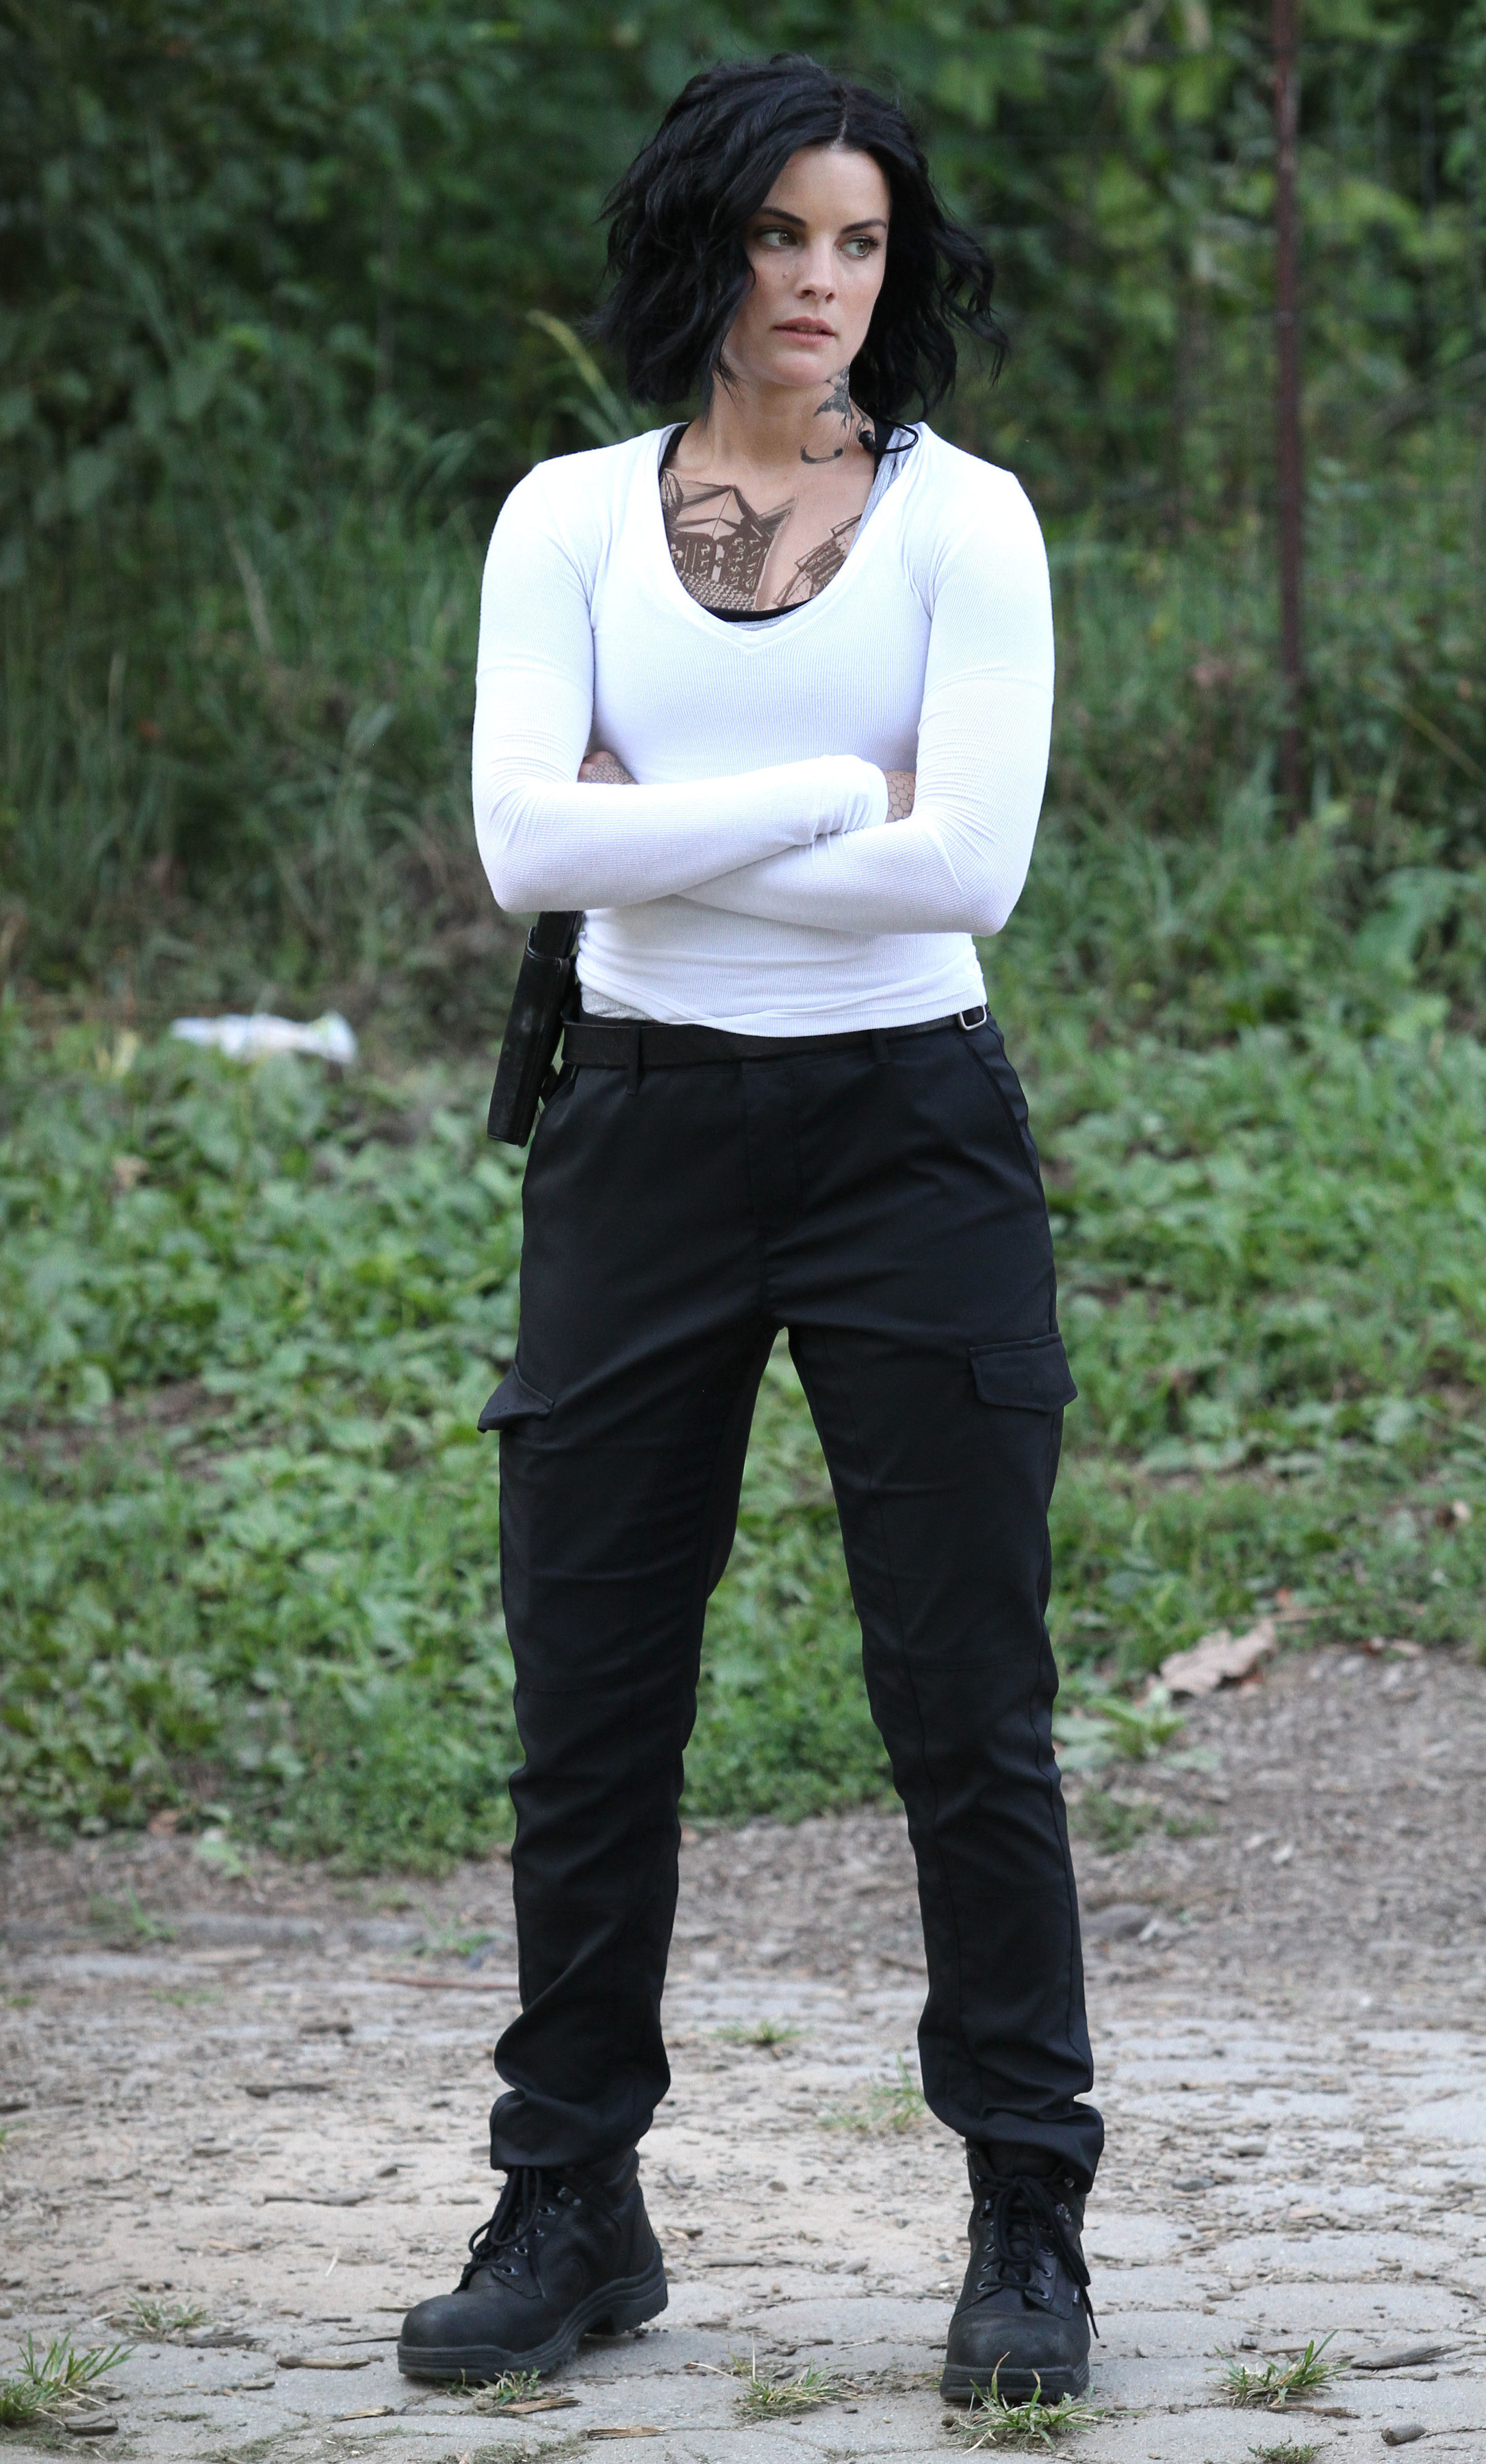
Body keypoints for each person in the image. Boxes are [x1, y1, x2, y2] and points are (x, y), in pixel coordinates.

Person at [397, 50, 1101, 2409]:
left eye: (859, 242)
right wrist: (823, 789)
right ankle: (569, 2202)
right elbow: (523, 848)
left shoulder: (966, 524)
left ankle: (1026, 2218)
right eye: (782, 234)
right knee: (591, 1699)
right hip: (639, 1130)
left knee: (964, 1701)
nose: (820, 282)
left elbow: (965, 869)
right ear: (701, 242)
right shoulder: (567, 520)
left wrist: (665, 818)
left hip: (911, 1133)